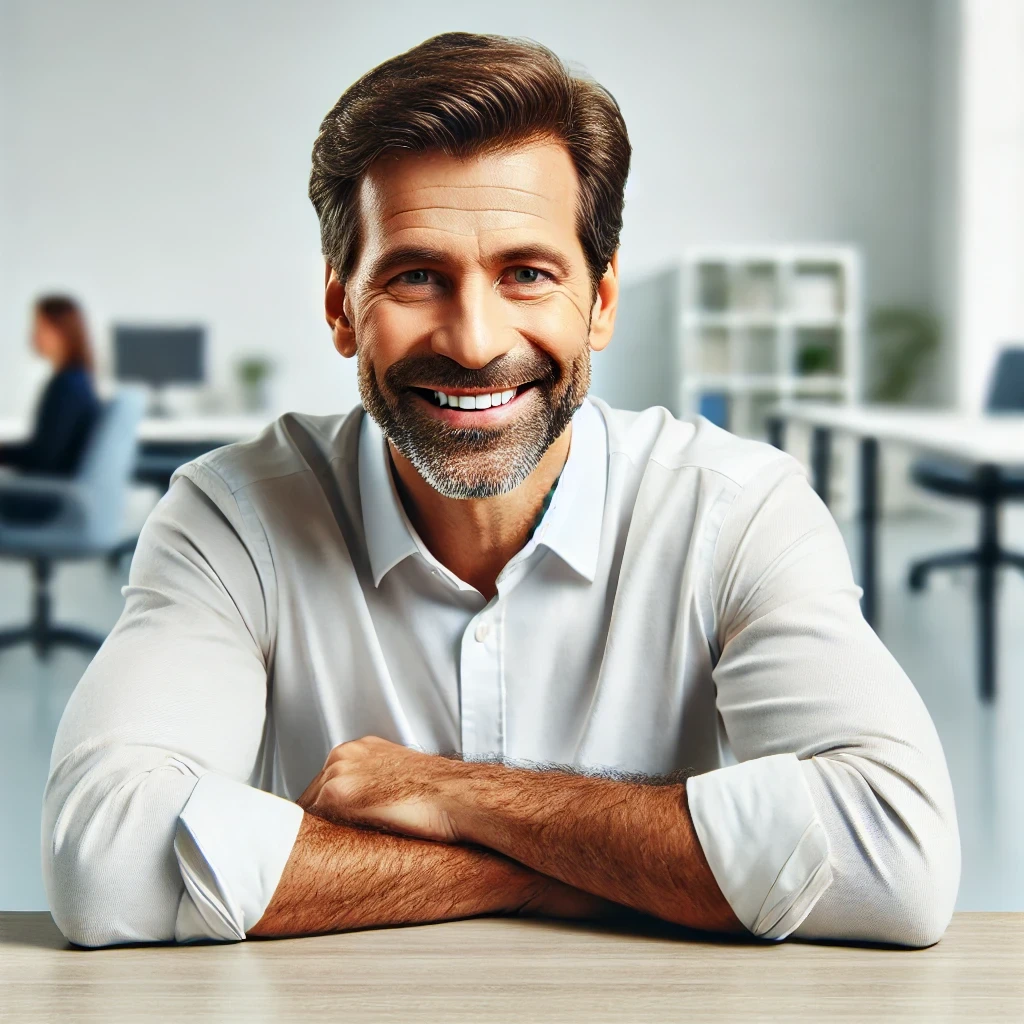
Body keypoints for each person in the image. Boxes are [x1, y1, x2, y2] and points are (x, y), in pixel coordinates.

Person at [42, 32, 960, 950]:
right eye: (415, 276)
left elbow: (897, 859)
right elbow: (106, 862)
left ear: (599, 302)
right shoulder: (232, 517)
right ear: (339, 308)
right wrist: (581, 870)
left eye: (527, 273)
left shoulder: (736, 510)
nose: (475, 341)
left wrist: (449, 793)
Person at [0, 295, 101, 523]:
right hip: (52, 494)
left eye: (39, 327)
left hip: (44, 502)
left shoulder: (66, 386)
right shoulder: (77, 381)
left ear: (60, 332)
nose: (32, 335)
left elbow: (42, 456)